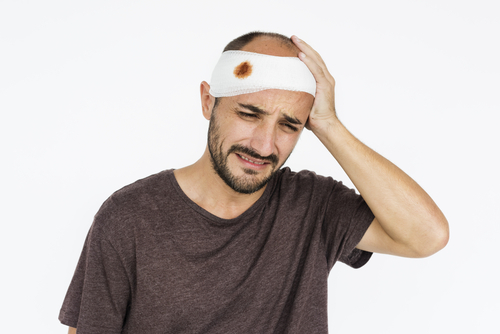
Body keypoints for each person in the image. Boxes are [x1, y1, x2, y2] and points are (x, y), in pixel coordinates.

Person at [59, 32, 449, 334]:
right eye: (249, 114)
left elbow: (426, 236)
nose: (264, 145)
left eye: (289, 125)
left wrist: (329, 125)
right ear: (209, 102)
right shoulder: (130, 217)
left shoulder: (313, 206)